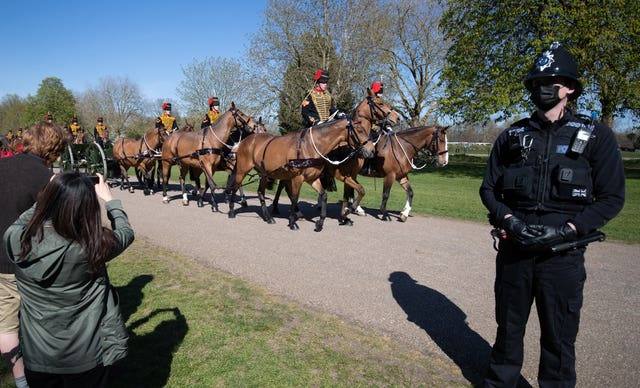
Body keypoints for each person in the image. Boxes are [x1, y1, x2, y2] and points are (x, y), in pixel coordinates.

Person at [479, 42, 625, 387]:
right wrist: (508, 220)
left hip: (562, 257)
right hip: (515, 251)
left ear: (570, 88)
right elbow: (488, 189)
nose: (542, 88)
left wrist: (567, 231)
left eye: (552, 82)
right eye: (536, 83)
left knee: (559, 338)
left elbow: (612, 197)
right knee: (508, 329)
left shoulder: (596, 137)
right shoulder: (512, 136)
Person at [3, 171, 135, 388]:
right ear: (88, 207)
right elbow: (125, 233)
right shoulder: (94, 246)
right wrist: (111, 201)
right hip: (86, 354)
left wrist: (48, 196)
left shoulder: (17, 240)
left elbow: (21, 222)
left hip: (38, 355)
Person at [0, 121, 69, 388]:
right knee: (46, 322)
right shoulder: (47, 179)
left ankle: (21, 381)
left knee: (6, 326)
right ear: (53, 148)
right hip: (31, 262)